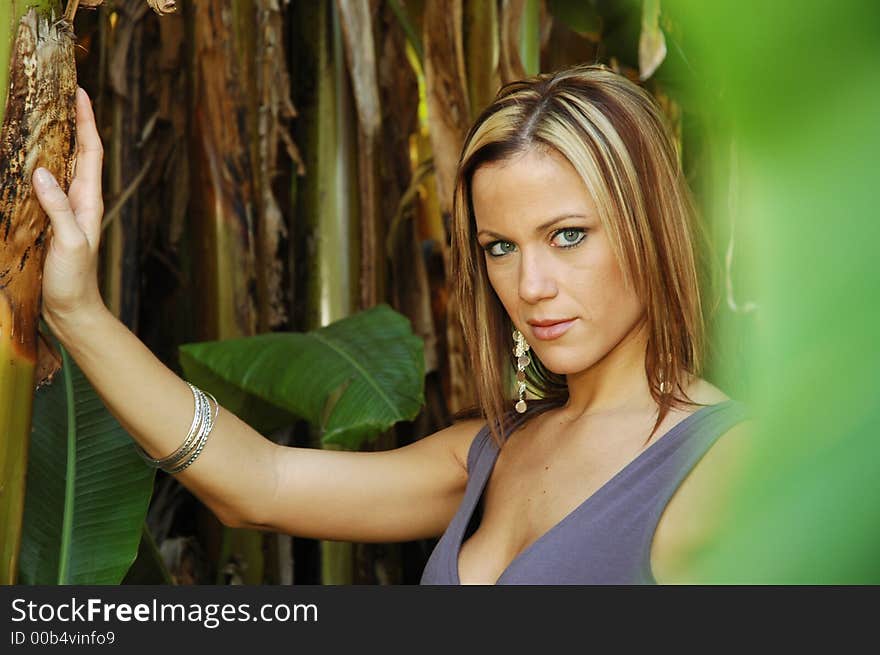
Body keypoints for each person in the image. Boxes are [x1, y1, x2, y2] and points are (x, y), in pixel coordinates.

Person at [34, 64, 751, 585]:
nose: (530, 286)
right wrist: (76, 310)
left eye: (568, 235)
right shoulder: (491, 451)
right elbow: (261, 483)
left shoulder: (727, 466)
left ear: (649, 227)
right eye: (500, 247)